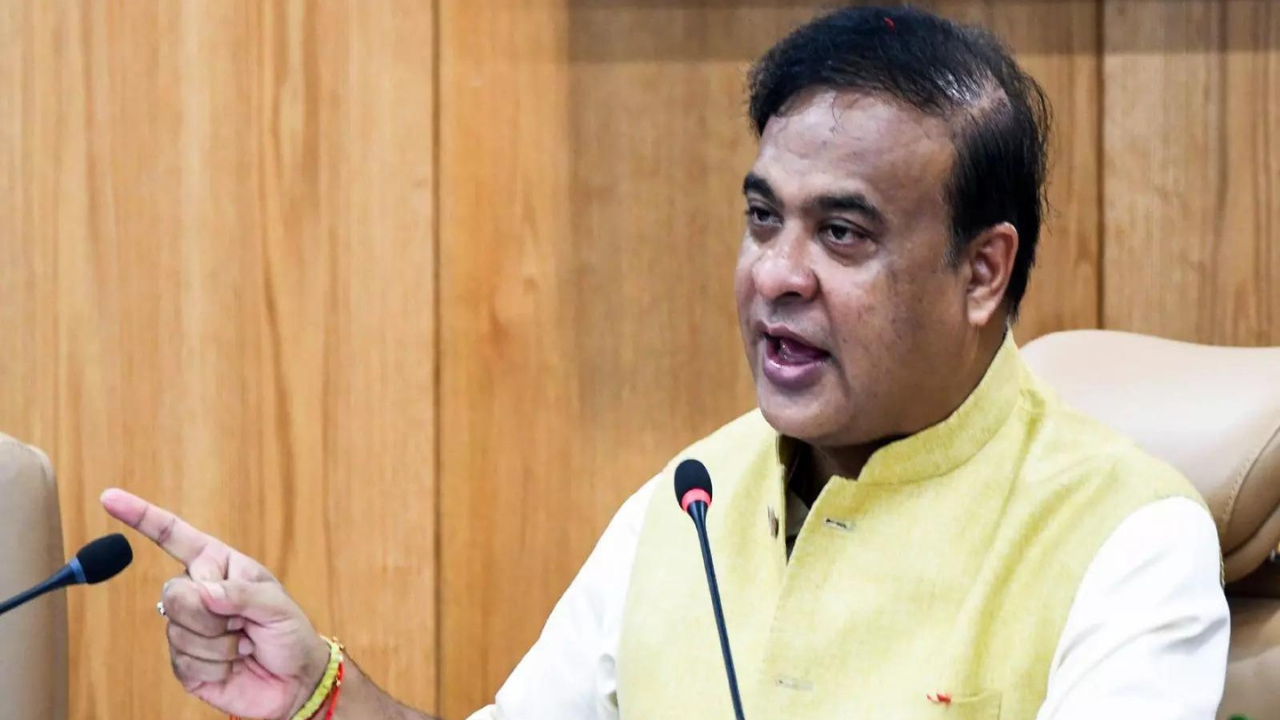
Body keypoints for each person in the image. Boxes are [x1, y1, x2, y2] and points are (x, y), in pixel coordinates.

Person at [101, 6, 1229, 720]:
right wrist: (317, 690)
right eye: (762, 218)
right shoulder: (687, 503)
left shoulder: (1128, 539)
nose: (775, 274)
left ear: (982, 272)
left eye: (841, 234)